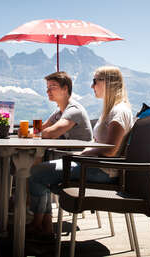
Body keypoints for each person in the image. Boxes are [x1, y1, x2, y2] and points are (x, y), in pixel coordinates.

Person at [27, 66, 133, 239]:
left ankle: (39, 225)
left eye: (95, 81)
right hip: (93, 165)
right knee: (40, 172)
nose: (92, 86)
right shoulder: (112, 110)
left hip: (101, 170)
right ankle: (42, 225)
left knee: (37, 172)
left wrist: (84, 154)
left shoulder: (119, 111)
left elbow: (111, 150)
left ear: (108, 83)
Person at [41, 71, 92, 140]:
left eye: (52, 87)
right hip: (64, 150)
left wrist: (33, 133)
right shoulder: (59, 111)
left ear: (65, 88)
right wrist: (24, 132)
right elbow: (42, 128)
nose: (48, 91)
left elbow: (50, 133)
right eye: (47, 88)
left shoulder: (74, 110)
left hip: (77, 151)